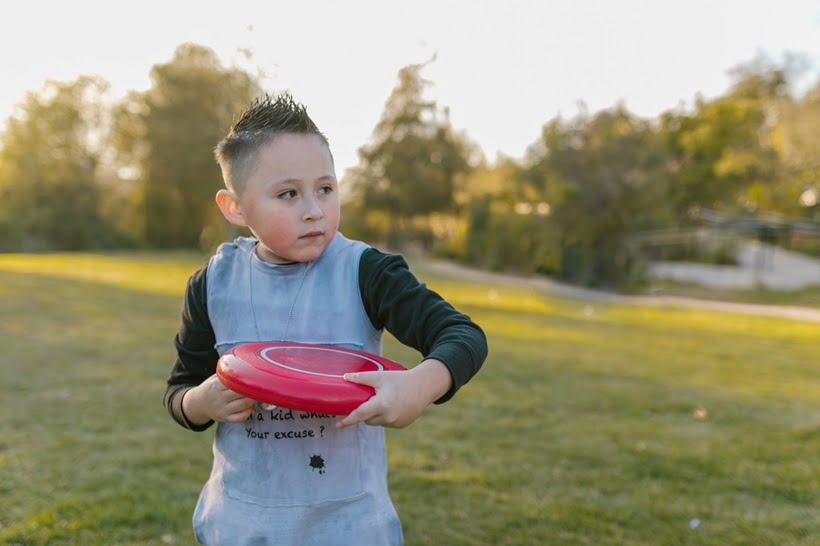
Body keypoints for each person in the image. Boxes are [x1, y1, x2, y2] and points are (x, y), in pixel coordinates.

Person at [164, 93, 488, 545]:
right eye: (288, 194)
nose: (314, 209)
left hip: (349, 527)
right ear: (235, 207)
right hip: (241, 526)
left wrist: (420, 385)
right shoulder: (212, 285)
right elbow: (179, 391)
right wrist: (201, 402)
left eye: (326, 188)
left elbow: (462, 335)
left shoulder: (367, 272)